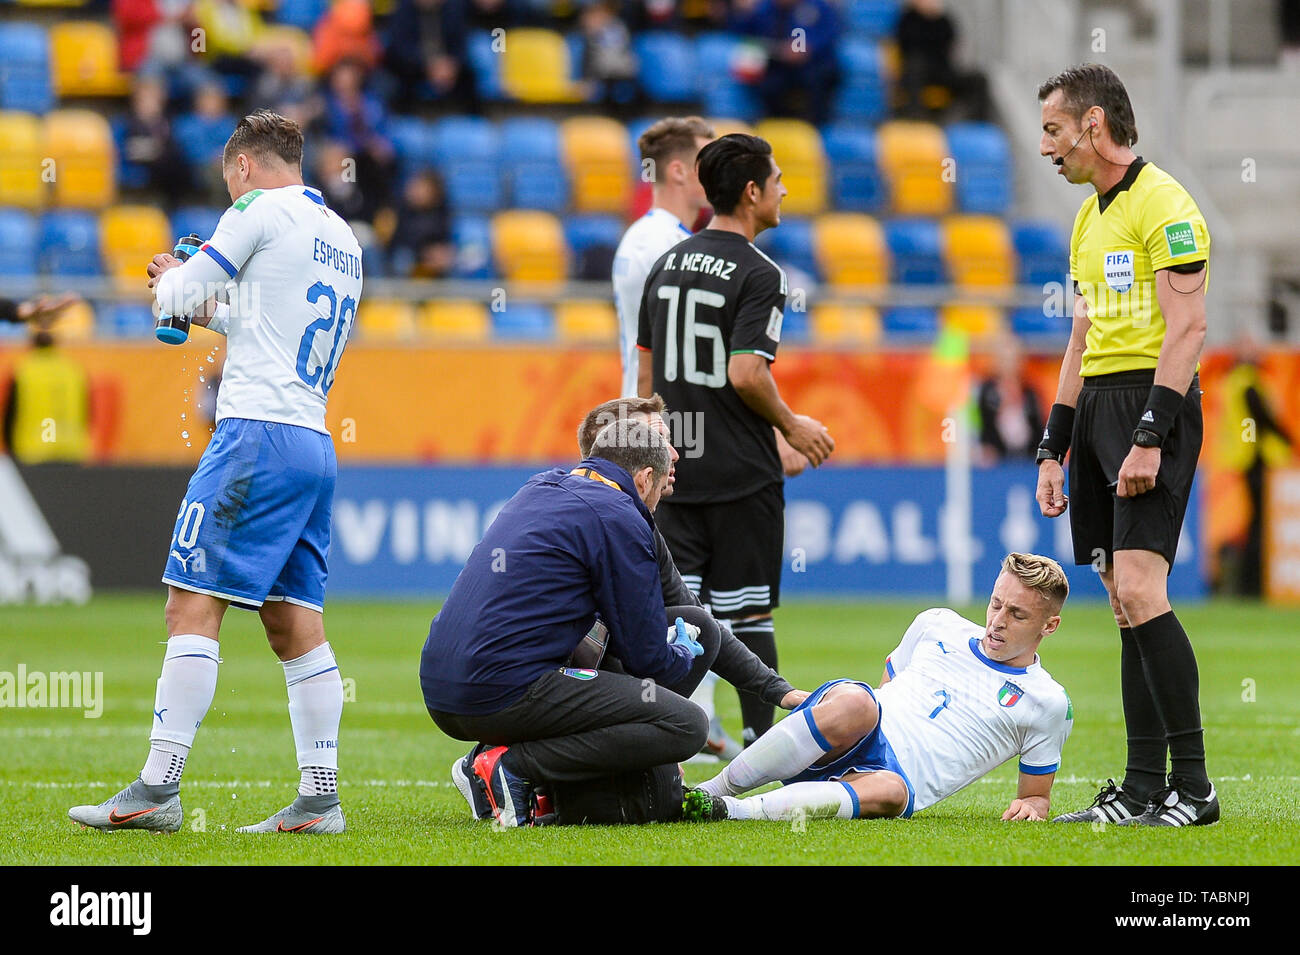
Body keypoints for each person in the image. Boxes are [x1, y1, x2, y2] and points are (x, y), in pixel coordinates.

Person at [67, 110, 364, 835]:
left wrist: (172, 275)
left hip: (254, 436)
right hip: (311, 441)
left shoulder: (254, 208)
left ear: (241, 166)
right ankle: (320, 796)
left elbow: (174, 297)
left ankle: (156, 788)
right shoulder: (343, 238)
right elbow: (257, 320)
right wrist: (206, 304)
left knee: (189, 604)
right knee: (294, 622)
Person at [1035, 64, 1218, 826]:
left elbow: (1190, 329)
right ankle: (1143, 787)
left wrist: (1151, 434)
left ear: (1094, 125)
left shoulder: (1166, 203)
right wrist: (1055, 444)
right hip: (1102, 409)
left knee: (1143, 590)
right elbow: (1083, 337)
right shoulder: (1087, 217)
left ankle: (1196, 788)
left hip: (1153, 405)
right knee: (1121, 604)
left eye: (1053, 128)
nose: (1046, 145)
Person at [637, 132, 834, 749]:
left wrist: (655, 460)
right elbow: (745, 373)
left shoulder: (665, 265)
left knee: (678, 615)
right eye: (776, 181)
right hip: (741, 477)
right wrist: (791, 428)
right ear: (751, 193)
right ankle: (758, 747)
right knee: (748, 614)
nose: (784, 191)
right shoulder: (760, 272)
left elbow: (647, 383)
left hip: (676, 469)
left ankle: (667, 746)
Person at [422, 419, 719, 827]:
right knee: (685, 724)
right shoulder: (619, 514)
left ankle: (489, 766)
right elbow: (648, 659)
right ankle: (514, 767)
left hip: (442, 689)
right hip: (502, 690)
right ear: (645, 478)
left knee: (612, 668)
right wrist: (681, 654)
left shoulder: (540, 487)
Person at [682, 553, 1073, 824]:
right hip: (850, 727)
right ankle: (706, 789)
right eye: (995, 604)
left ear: (1049, 626)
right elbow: (883, 688)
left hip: (884, 779)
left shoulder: (1048, 703)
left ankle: (730, 811)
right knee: (858, 702)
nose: (997, 621)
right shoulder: (937, 623)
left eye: (1017, 614)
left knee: (894, 791)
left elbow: (1035, 796)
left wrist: (1033, 806)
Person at [975, 333, 1044, 463]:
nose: (1009, 363)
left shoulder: (1030, 391)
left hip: (1028, 457)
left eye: (1012, 357)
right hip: (996, 457)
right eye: (1004, 358)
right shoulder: (987, 390)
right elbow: (982, 423)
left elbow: (1038, 425)